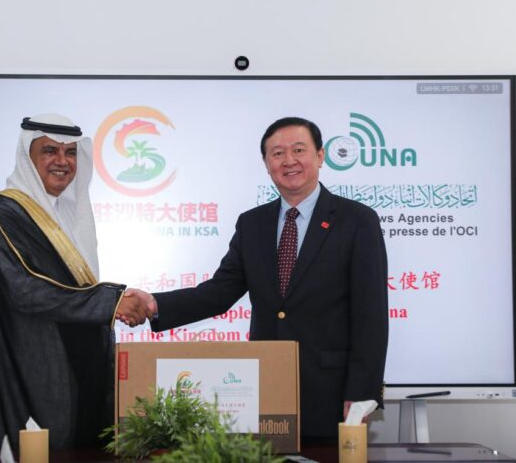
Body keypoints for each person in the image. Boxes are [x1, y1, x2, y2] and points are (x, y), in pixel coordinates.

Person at [134, 117, 388, 438]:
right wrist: (154, 304)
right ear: (266, 164)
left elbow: (370, 315)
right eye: (277, 154)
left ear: (320, 155)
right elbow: (220, 292)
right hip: (262, 386)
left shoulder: (357, 220)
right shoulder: (252, 224)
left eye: (299, 150)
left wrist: (362, 392)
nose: (289, 161)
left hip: (332, 391)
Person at [0, 114, 151, 452]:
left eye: (71, 152)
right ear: (27, 158)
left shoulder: (64, 215)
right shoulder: (2, 213)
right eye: (49, 151)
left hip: (69, 377)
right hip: (20, 377)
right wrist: (112, 302)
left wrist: (112, 303)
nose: (63, 161)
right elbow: (26, 290)